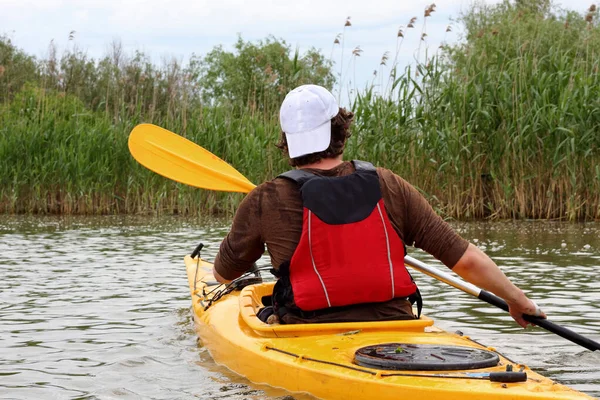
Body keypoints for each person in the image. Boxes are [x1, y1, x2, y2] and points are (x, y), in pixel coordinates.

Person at [213, 84, 545, 327]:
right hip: (396, 328)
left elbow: (222, 273)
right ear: (341, 129)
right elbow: (466, 260)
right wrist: (517, 300)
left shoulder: (265, 198)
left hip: (307, 334)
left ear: (287, 143)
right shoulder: (389, 184)